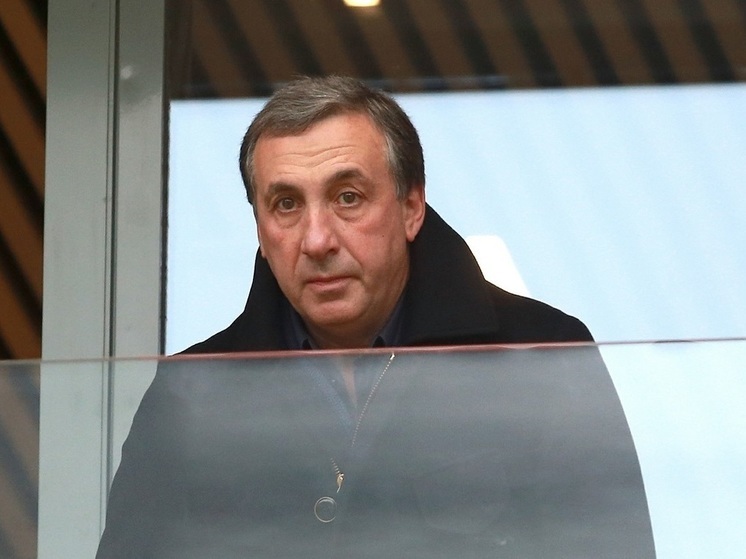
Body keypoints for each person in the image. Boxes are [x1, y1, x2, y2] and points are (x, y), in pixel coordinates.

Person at [96, 76, 655, 557]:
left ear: (411, 208)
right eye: (286, 204)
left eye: (347, 197)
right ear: (260, 230)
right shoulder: (193, 391)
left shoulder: (539, 355)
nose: (317, 240)